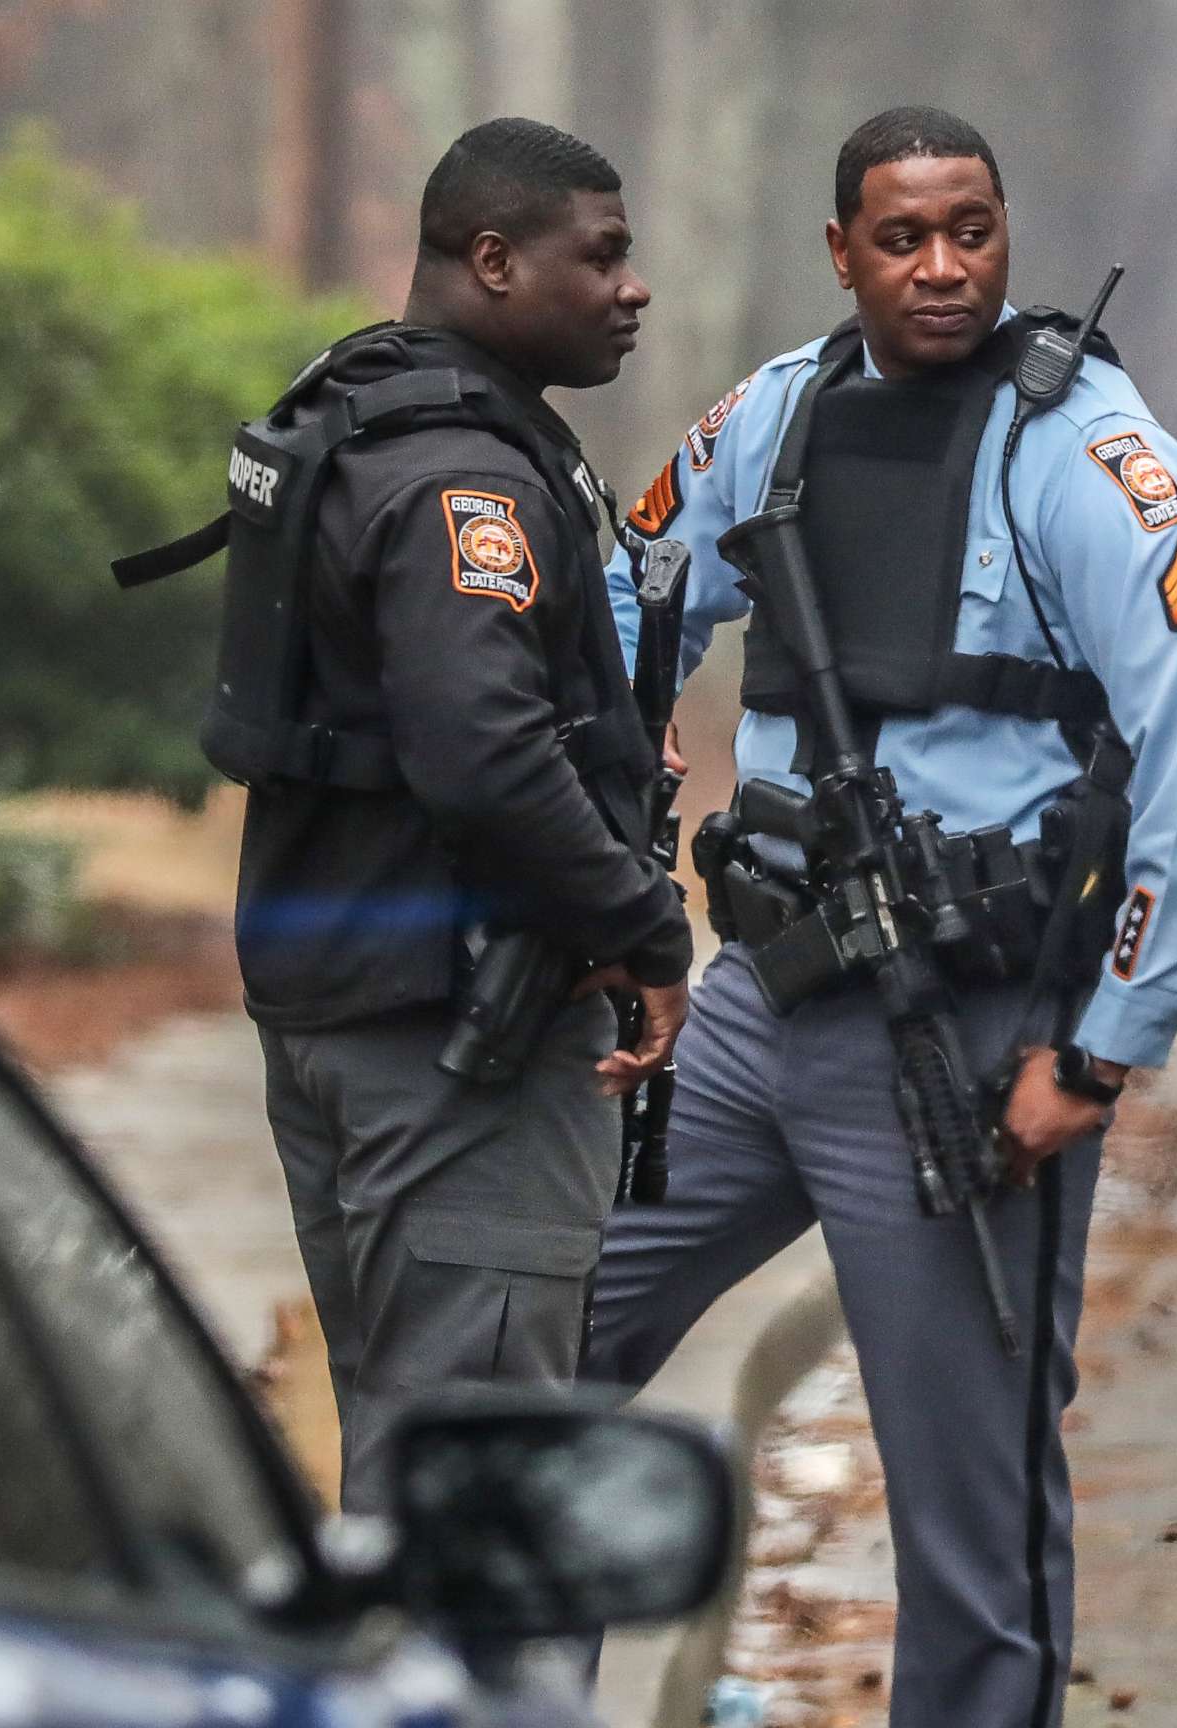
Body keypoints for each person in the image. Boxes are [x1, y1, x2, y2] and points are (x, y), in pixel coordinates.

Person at [584, 106, 1177, 1727]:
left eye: (972, 228)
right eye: (903, 237)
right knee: (538, 1346)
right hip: (758, 1004)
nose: (943, 265)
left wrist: (1096, 1053)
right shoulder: (778, 415)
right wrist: (615, 836)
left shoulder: (1088, 453)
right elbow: (632, 595)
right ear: (845, 252)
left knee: (968, 1520)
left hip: (963, 1042)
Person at [131, 119, 691, 1510]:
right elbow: (483, 755)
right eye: (603, 257)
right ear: (493, 261)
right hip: (455, 1054)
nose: (633, 289)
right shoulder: (468, 479)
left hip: (341, 1013)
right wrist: (645, 927)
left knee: (405, 1458)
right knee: (476, 1515)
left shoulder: (360, 410)